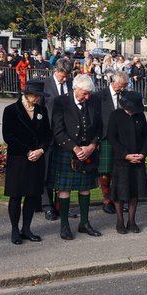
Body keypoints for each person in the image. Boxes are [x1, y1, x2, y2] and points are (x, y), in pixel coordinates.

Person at [50, 74, 103, 240]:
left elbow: (100, 127)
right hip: (67, 151)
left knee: (85, 188)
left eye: (89, 93)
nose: (87, 97)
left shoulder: (94, 100)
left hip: (88, 150)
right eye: (84, 93)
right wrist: (75, 148)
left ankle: (84, 223)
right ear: (75, 88)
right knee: (64, 189)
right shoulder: (61, 102)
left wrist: (92, 146)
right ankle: (64, 225)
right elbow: (58, 130)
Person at [2, 79, 51, 244]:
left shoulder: (41, 110)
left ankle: (27, 228)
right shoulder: (10, 110)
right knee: (16, 196)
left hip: (37, 158)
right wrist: (27, 151)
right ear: (26, 93)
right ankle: (15, 230)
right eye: (35, 95)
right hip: (19, 159)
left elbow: (47, 135)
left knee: (32, 195)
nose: (37, 98)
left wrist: (41, 150)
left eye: (39, 96)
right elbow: (8, 136)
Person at [108, 91, 147, 234]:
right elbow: (112, 138)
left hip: (138, 159)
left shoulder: (140, 116)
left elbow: (146, 136)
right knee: (120, 192)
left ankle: (132, 220)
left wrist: (143, 154)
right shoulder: (116, 115)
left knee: (135, 192)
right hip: (121, 160)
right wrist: (125, 155)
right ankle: (120, 221)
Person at [42, 61, 73, 220]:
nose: (64, 79)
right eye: (62, 76)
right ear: (56, 71)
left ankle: (62, 205)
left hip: (66, 134)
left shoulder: (71, 84)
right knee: (47, 170)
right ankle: (47, 205)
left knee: (63, 171)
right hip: (48, 133)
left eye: (67, 76)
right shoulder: (45, 85)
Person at [95, 70, 127, 216]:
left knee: (119, 171)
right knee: (105, 171)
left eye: (125, 85)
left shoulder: (125, 96)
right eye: (121, 85)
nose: (123, 88)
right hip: (105, 137)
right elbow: (94, 119)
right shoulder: (99, 96)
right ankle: (107, 200)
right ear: (113, 82)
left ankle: (118, 200)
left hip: (121, 139)